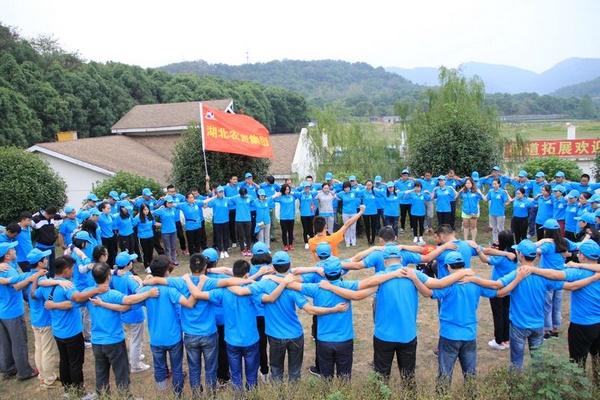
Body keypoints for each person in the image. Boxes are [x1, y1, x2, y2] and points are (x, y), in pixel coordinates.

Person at [319, 246, 474, 389]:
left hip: (383, 336)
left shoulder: (381, 277)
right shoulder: (413, 274)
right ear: (400, 259)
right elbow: (439, 284)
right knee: (408, 377)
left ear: (384, 261)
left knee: (381, 376)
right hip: (407, 335)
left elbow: (357, 295)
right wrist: (463, 272)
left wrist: (331, 287)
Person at [465, 240, 591, 370]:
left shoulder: (517, 274)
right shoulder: (542, 274)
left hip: (519, 325)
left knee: (516, 363)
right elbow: (570, 286)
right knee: (538, 362)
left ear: (520, 255)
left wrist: (473, 278)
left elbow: (497, 285)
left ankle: (515, 382)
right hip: (538, 325)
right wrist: (593, 277)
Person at [227, 251, 349, 383]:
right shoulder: (293, 287)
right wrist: (334, 309)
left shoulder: (264, 284)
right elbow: (310, 309)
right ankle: (293, 392)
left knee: (276, 371)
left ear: (273, 267)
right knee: (295, 373)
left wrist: (226, 283)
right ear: (290, 265)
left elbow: (241, 290)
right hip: (295, 334)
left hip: (275, 336)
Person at [188, 259, 291, 390]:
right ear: (247, 275)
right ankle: (252, 393)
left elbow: (197, 294)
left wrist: (188, 279)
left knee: (235, 375)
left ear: (233, 273)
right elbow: (270, 298)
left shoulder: (222, 291)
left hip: (231, 340)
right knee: (252, 375)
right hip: (250, 339)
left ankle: (238, 394)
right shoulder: (251, 292)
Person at [416, 252, 501, 396]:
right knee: (470, 374)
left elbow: (428, 293)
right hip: (469, 334)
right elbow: (497, 292)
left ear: (448, 267)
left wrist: (415, 279)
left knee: (444, 374)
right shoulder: (476, 281)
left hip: (449, 334)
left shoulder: (447, 283)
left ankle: (442, 397)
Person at [34, 255, 108, 398]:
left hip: (57, 331)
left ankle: (67, 390)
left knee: (64, 360)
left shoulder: (46, 286)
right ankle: (80, 393)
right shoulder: (67, 286)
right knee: (75, 363)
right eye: (72, 269)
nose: (73, 271)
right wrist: (96, 290)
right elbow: (77, 299)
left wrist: (37, 280)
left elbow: (33, 294)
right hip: (72, 332)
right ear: (67, 270)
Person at [83, 262, 158, 396]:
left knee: (101, 371)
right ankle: (125, 397)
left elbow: (76, 299)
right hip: (114, 340)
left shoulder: (87, 293)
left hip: (97, 341)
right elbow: (129, 300)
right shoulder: (111, 294)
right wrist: (148, 293)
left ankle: (103, 396)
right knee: (121, 372)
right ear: (108, 276)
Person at [538, 241, 600, 387]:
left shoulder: (578, 273)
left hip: (581, 325)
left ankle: (577, 390)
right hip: (598, 324)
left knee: (577, 364)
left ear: (582, 257)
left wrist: (534, 270)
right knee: (597, 361)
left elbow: (555, 275)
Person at [135, 256, 195, 396]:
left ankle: (162, 392)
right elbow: (185, 305)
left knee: (159, 367)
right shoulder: (170, 290)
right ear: (167, 272)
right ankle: (178, 394)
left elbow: (133, 301)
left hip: (156, 338)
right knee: (177, 368)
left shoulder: (147, 292)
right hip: (174, 337)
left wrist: (143, 285)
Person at [0, 242, 42, 382]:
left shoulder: (4, 267)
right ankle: (24, 372)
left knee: (4, 342)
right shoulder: (9, 270)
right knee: (19, 342)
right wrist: (31, 278)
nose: (15, 250)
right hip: (13, 312)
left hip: (2, 311)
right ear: (6, 256)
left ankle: (8, 369)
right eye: (12, 249)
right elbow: (17, 286)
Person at [470, 231, 518, 350]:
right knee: (506, 314)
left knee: (498, 315)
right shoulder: (515, 253)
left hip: (497, 288)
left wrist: (478, 250)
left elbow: (486, 260)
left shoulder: (501, 256)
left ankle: (499, 340)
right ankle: (506, 339)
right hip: (509, 289)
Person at [109, 251, 151, 373]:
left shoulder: (114, 276)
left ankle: (135, 356)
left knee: (133, 338)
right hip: (134, 313)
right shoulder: (130, 278)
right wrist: (140, 281)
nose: (132, 262)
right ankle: (136, 365)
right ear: (128, 264)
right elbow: (140, 293)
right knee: (136, 340)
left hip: (123, 313)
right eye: (131, 261)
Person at [535, 219, 576, 339]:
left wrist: (541, 241)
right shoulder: (565, 242)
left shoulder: (548, 245)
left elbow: (531, 249)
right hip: (560, 277)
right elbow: (578, 246)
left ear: (547, 231)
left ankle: (547, 330)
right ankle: (555, 329)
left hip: (548, 278)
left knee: (547, 305)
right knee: (557, 305)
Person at [32, 206, 63, 276]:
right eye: (51, 216)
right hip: (41, 247)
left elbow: (61, 216)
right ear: (48, 214)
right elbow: (26, 223)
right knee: (45, 266)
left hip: (51, 246)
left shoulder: (53, 217)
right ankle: (44, 279)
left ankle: (51, 278)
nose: (52, 218)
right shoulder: (36, 219)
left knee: (52, 265)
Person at [153, 195, 180, 266]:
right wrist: (155, 223)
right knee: (167, 248)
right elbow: (151, 213)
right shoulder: (161, 210)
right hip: (165, 232)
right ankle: (168, 261)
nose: (170, 204)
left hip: (173, 230)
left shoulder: (173, 209)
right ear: (165, 203)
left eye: (171, 202)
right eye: (169, 203)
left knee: (173, 247)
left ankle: (174, 260)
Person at [205, 186, 231, 258]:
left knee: (226, 236)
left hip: (226, 221)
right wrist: (212, 197)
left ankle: (225, 250)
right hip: (217, 221)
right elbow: (207, 205)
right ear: (217, 193)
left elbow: (232, 203)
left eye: (222, 192)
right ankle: (220, 251)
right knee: (218, 237)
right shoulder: (214, 200)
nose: (221, 193)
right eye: (219, 192)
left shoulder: (227, 199)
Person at [456, 177, 484, 241]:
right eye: (466, 183)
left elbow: (482, 198)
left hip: (473, 211)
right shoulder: (463, 192)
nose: (467, 184)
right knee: (466, 226)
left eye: (469, 183)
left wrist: (480, 192)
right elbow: (457, 196)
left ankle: (473, 240)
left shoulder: (476, 192)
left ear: (472, 184)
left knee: (473, 226)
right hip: (465, 211)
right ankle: (465, 240)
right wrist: (460, 191)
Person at [132, 203, 159, 270]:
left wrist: (164, 224)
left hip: (151, 236)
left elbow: (154, 223)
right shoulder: (138, 218)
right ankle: (146, 266)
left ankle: (151, 264)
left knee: (151, 251)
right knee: (145, 252)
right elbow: (132, 224)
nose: (146, 211)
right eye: (144, 210)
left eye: (147, 209)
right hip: (142, 237)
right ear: (141, 210)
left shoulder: (150, 216)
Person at [486, 178, 511, 247]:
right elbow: (486, 199)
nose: (494, 185)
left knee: (500, 229)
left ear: (499, 184)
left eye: (495, 184)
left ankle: (502, 242)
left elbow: (506, 202)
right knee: (494, 228)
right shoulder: (491, 191)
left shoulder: (502, 192)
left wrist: (505, 204)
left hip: (500, 213)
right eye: (493, 184)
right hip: (492, 212)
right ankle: (495, 242)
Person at [296, 182, 318, 249]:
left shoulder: (312, 193)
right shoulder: (300, 194)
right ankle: (306, 242)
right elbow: (292, 192)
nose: (307, 189)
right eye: (306, 187)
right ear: (303, 188)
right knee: (305, 229)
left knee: (311, 228)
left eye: (308, 187)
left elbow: (319, 191)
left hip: (311, 214)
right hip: (303, 214)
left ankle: (312, 242)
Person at [359, 180, 380, 245]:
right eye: (368, 185)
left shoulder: (374, 192)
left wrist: (376, 189)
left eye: (370, 185)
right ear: (366, 185)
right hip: (365, 212)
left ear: (372, 185)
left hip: (374, 212)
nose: (369, 186)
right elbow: (357, 195)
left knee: (373, 227)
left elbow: (381, 194)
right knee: (367, 226)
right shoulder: (363, 192)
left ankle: (373, 240)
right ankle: (368, 240)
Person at [394, 169, 415, 234]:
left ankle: (412, 226)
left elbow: (415, 188)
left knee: (411, 215)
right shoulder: (399, 182)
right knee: (403, 215)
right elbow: (392, 185)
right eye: (404, 175)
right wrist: (398, 180)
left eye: (406, 175)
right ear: (402, 176)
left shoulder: (411, 182)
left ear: (408, 176)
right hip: (402, 202)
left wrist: (409, 196)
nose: (405, 177)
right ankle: (402, 227)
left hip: (410, 201)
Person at [98, 202, 118, 267]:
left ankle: (112, 266)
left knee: (113, 253)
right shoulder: (99, 216)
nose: (109, 210)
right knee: (106, 254)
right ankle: (106, 267)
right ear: (103, 209)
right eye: (108, 208)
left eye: (110, 208)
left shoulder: (109, 216)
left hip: (111, 236)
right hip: (104, 238)